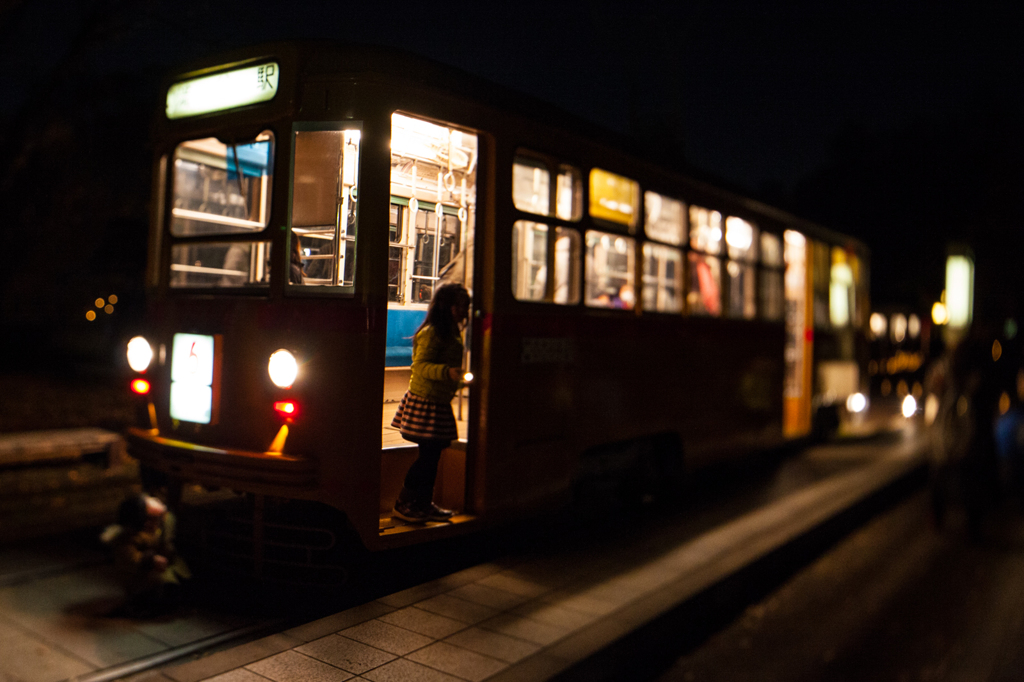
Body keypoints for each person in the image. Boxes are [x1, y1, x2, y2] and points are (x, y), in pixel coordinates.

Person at [391, 283, 471, 522]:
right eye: (462, 306)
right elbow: (420, 366)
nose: (465, 312)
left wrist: (454, 381)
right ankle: (403, 503)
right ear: (448, 306)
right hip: (425, 402)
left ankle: (423, 504)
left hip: (436, 401)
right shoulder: (433, 332)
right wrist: (447, 373)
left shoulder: (449, 331)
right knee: (427, 458)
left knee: (432, 457)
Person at [107, 493, 191, 616]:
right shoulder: (127, 538)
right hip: (140, 578)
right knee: (157, 585)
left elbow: (165, 534)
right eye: (150, 519)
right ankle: (144, 604)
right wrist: (150, 559)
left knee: (176, 578)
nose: (156, 523)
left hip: (159, 569)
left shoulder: (154, 531)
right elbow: (130, 559)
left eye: (157, 518)